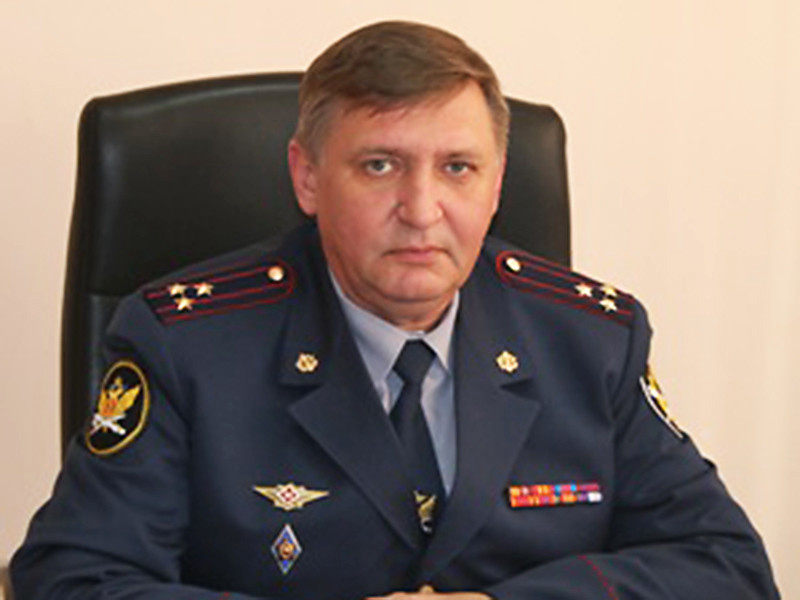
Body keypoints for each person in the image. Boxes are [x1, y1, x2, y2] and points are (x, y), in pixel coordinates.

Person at [11, 20, 779, 600]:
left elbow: (729, 567)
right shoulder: (186, 344)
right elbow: (70, 576)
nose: (421, 209)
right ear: (308, 178)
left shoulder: (591, 340)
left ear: (497, 184)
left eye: (458, 168)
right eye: (380, 165)